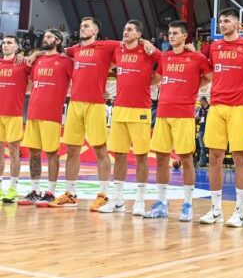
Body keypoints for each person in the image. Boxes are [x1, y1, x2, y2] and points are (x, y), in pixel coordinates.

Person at [30, 17, 154, 209]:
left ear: (95, 31)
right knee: (72, 149)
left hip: (95, 104)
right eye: (81, 26)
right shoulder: (74, 49)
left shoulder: (107, 46)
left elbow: (130, 40)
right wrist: (36, 53)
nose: (82, 28)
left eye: (86, 26)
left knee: (100, 150)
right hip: (75, 104)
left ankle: (103, 195)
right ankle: (70, 194)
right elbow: (53, 48)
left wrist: (145, 41)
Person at [200, 8, 243, 227]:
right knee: (214, 157)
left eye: (227, 21)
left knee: (239, 158)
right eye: (221, 21)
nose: (222, 24)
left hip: (238, 107)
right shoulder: (215, 47)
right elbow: (211, 74)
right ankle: (216, 209)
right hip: (216, 106)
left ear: (237, 25)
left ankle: (240, 211)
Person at [144, 20, 212, 220]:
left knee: (186, 159)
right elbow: (157, 78)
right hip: (163, 112)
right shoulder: (165, 57)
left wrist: (194, 85)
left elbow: (211, 76)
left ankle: (188, 204)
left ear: (184, 36)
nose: (171, 36)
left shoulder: (197, 57)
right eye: (170, 33)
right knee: (161, 158)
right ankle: (161, 203)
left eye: (175, 33)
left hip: (183, 114)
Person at [98, 20, 161, 215]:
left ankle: (140, 201)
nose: (125, 31)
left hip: (140, 109)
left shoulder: (148, 50)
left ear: (139, 34)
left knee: (141, 156)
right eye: (124, 28)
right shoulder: (118, 50)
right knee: (119, 155)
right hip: (119, 109)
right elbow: (102, 65)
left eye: (130, 29)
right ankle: (118, 200)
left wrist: (154, 79)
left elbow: (166, 61)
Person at [18, 29, 73, 207]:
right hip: (33, 113)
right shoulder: (38, 60)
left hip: (51, 115)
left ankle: (50, 192)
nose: (45, 38)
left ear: (58, 41)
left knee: (51, 153)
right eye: (45, 36)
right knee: (33, 152)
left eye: (49, 36)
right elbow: (31, 82)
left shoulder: (66, 62)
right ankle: (35, 191)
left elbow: (79, 80)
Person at [0, 36, 30, 203]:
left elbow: (45, 57)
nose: (5, 45)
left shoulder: (23, 64)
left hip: (14, 114)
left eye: (10, 42)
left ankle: (12, 189)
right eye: (4, 42)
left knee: (13, 152)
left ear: (17, 47)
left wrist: (30, 55)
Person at [195, 96, 209, 167]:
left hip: (209, 129)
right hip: (201, 129)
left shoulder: (210, 108)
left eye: (200, 101)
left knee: (211, 147)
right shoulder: (201, 109)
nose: (200, 103)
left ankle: (212, 162)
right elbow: (196, 117)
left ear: (204, 101)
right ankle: (203, 162)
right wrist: (199, 117)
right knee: (202, 147)